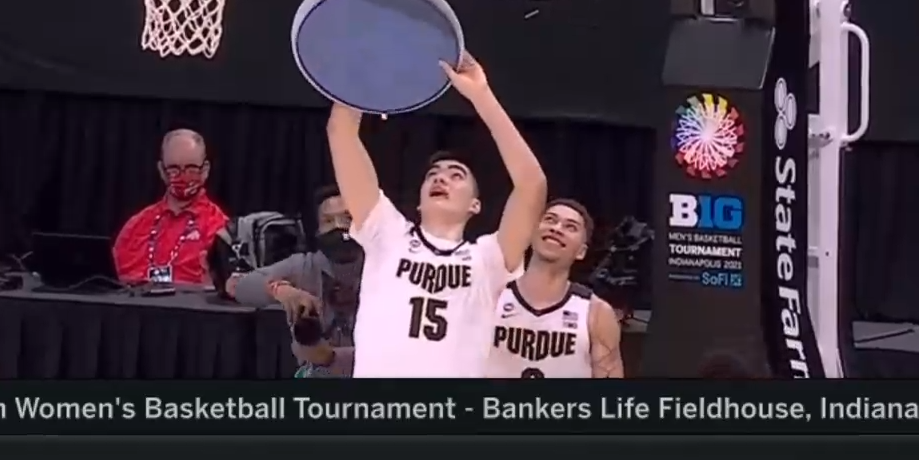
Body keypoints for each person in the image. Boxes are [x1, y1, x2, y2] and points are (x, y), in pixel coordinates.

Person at [330, 54, 548, 378]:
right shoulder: (388, 232)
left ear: (475, 205)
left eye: (456, 175)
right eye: (433, 174)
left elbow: (532, 185)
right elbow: (340, 132)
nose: (441, 178)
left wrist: (481, 96)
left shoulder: (487, 259)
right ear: (418, 202)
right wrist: (364, 74)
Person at [226, 185, 363, 377]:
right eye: (328, 220)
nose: (338, 227)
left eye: (347, 218)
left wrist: (331, 358)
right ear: (317, 230)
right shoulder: (305, 265)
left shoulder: (385, 270)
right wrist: (281, 291)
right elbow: (242, 287)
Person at [485, 199, 623, 378]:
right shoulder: (493, 295)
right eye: (550, 219)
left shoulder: (596, 313)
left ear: (581, 251)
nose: (557, 229)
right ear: (533, 233)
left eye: (570, 227)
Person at [113, 129, 230, 286]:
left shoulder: (220, 230)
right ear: (162, 170)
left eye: (191, 168)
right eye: (174, 169)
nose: (183, 176)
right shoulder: (135, 226)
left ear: (205, 170)